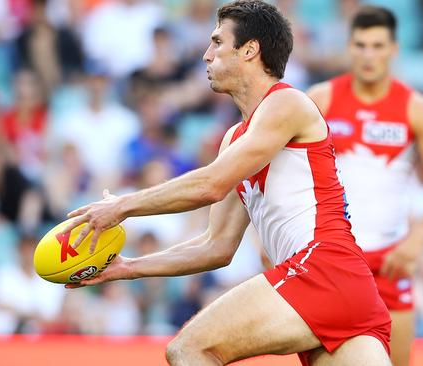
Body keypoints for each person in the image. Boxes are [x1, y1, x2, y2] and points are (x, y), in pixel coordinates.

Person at [60, 1, 391, 365]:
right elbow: (216, 246)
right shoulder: (236, 139)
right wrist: (129, 267)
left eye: (217, 42)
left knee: (188, 349)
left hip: (321, 269)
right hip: (344, 287)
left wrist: (122, 207)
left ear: (250, 50)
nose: (205, 55)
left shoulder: (288, 103)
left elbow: (211, 184)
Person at [306, 6, 423, 366]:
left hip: (390, 262)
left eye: (378, 45)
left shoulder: (415, 109)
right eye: (360, 45)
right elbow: (283, 170)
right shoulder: (322, 100)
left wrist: (417, 239)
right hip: (335, 258)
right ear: (349, 47)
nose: (368, 55)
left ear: (394, 49)